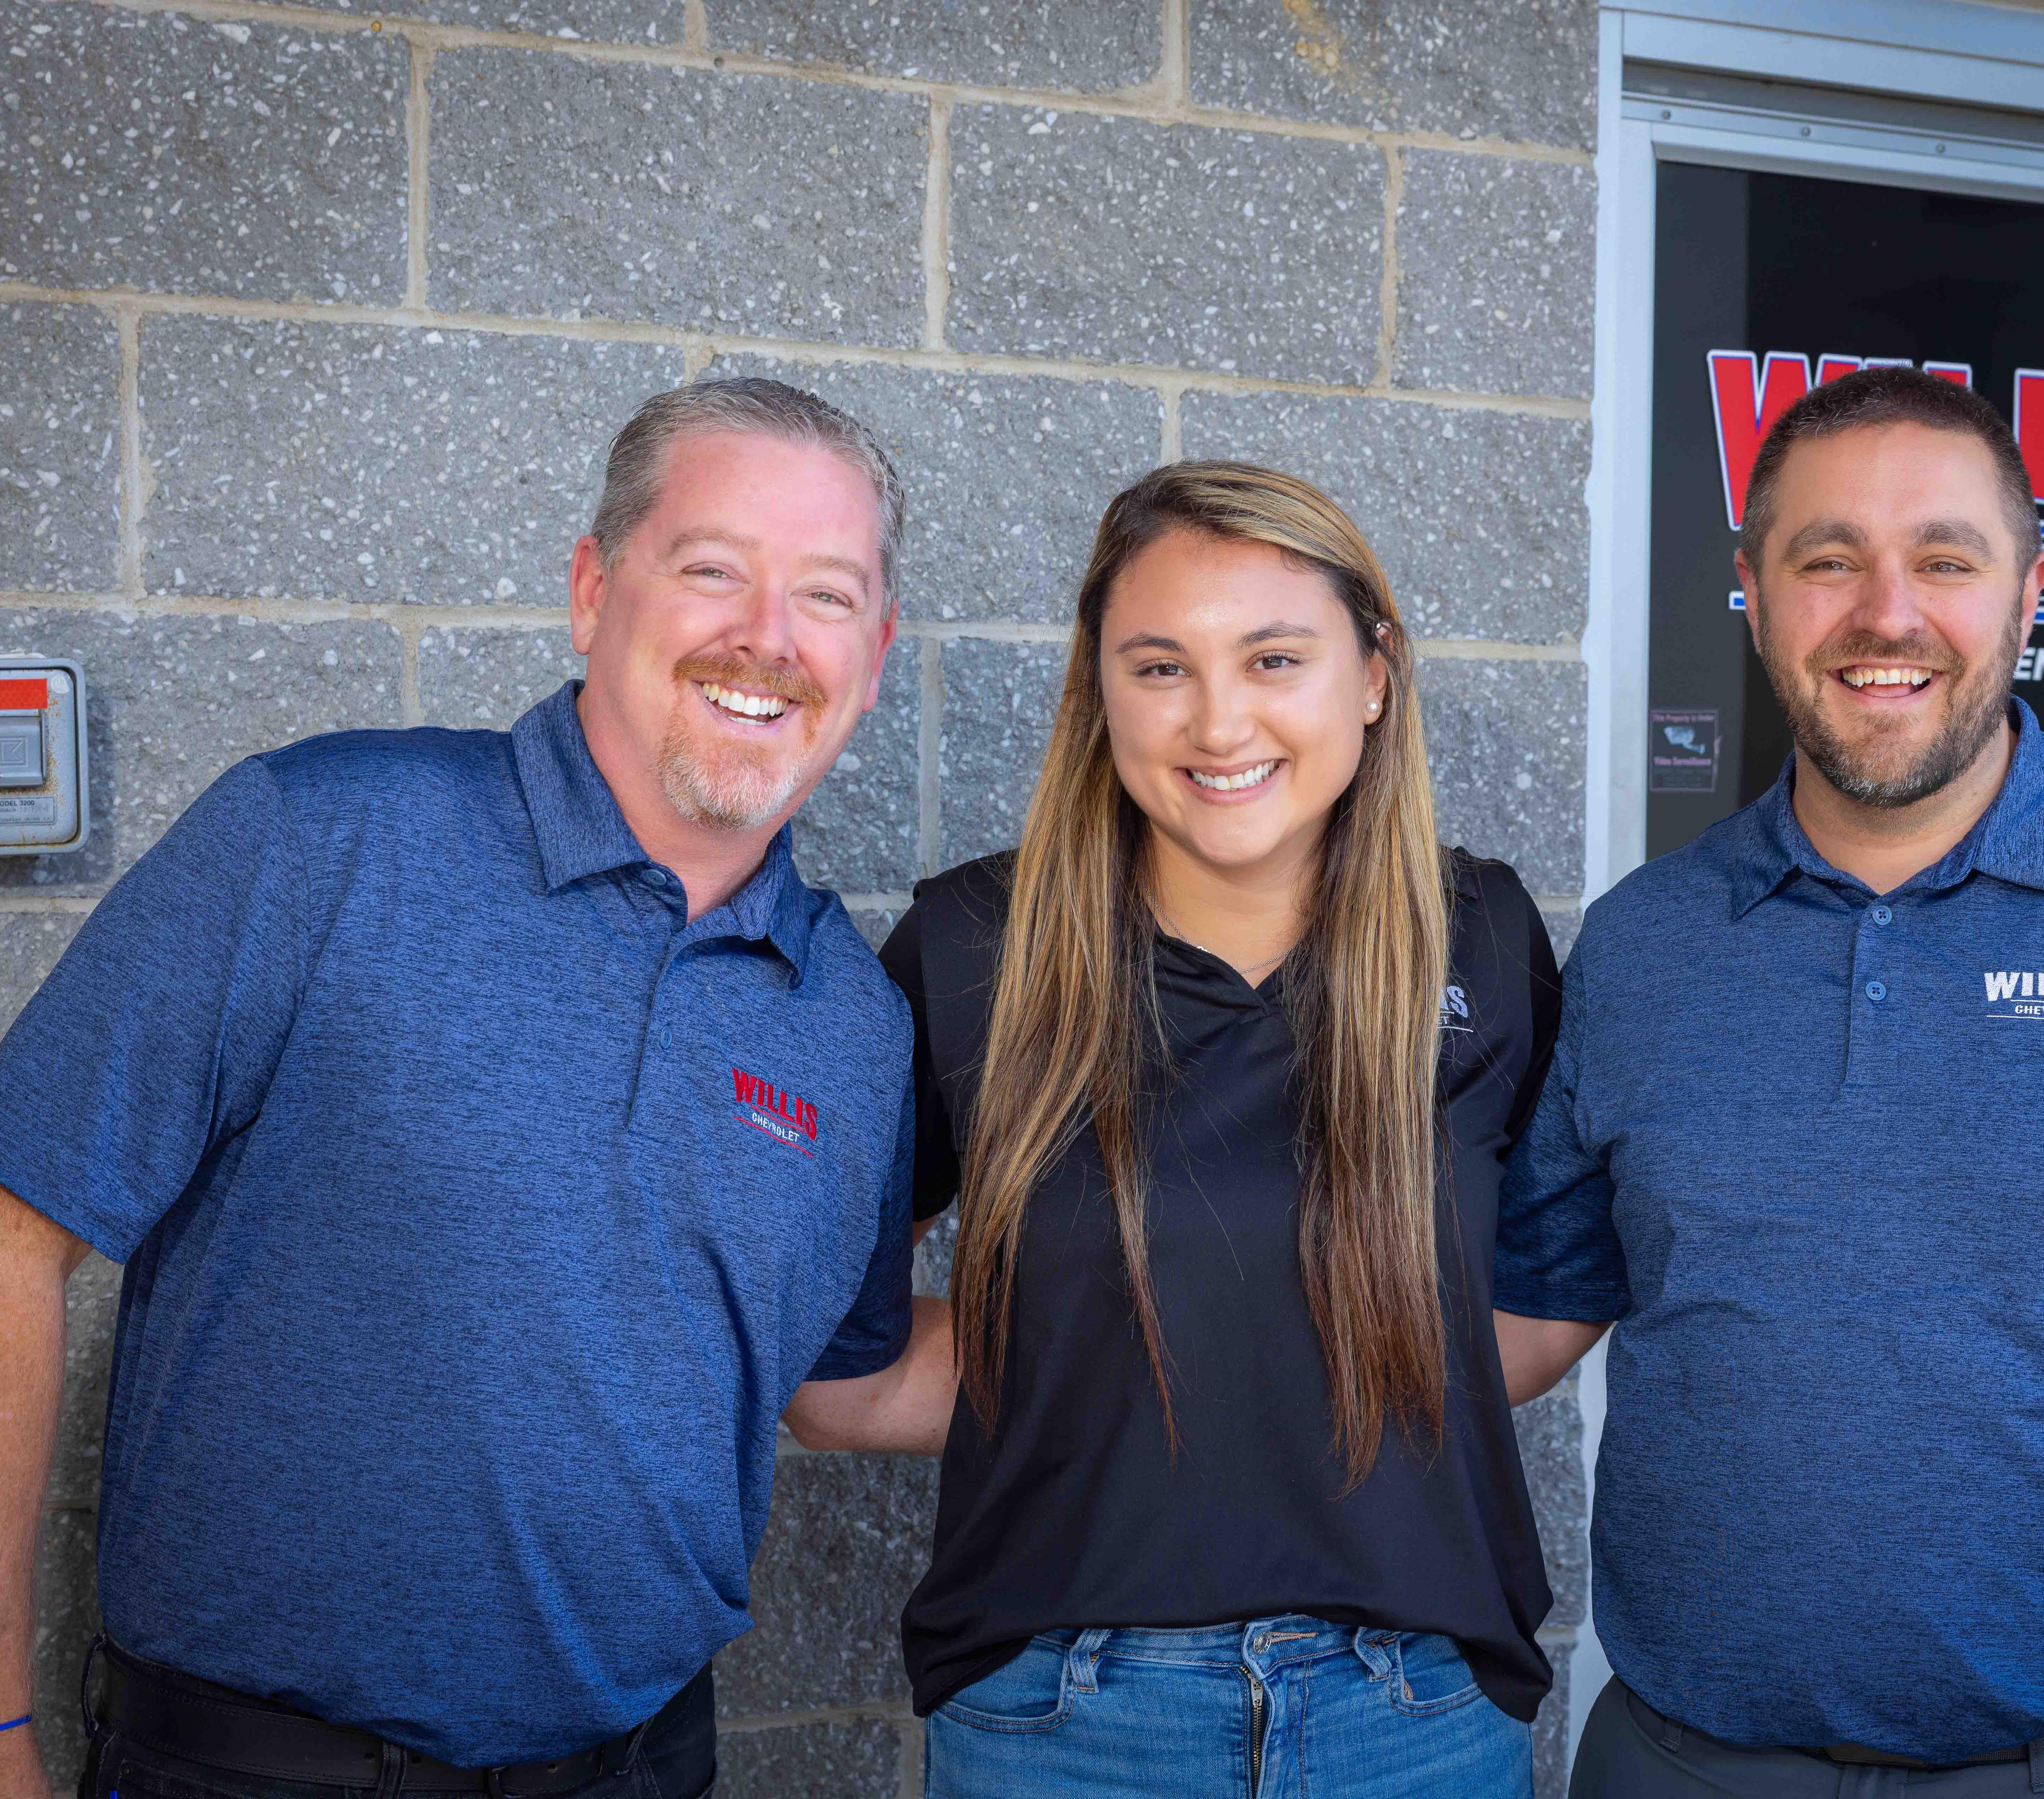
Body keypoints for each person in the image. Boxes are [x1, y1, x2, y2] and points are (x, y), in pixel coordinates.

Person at [0, 378, 956, 1799]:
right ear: (590, 591)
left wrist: (1218, 1324)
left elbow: (845, 1386)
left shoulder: (855, 1030)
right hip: (261, 1772)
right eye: (711, 570)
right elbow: (21, 1231)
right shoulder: (319, 838)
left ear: (873, 659)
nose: (767, 637)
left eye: (824, 595)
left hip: (636, 1768)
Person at [1493, 365, 2044, 1795]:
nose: (1885, 615)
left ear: (2028, 595)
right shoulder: (1646, 940)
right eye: (1826, 560)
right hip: (1686, 1765)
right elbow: (1529, 1313)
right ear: (1753, 590)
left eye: (1943, 561)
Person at [879, 462, 1563, 1797]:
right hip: (1063, 1726)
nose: (1218, 718)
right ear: (1099, 694)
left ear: (1372, 676)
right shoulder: (974, 950)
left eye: (1273, 658)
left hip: (1414, 1718)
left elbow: (1536, 1302)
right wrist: (1087, 1371)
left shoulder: (1478, 929)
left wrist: (1290, 1358)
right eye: (1159, 667)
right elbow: (831, 1355)